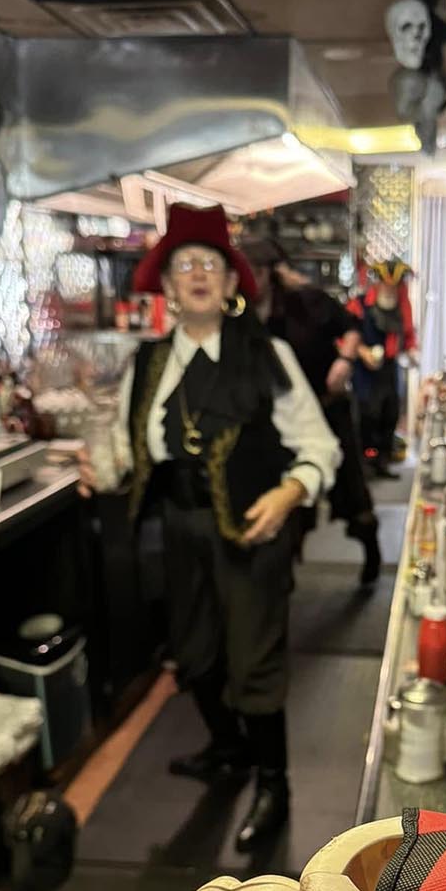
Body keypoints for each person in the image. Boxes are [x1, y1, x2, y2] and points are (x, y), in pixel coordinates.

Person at [82, 205, 341, 855]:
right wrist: (101, 467)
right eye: (184, 265)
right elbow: (127, 451)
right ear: (168, 286)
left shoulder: (268, 355)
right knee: (194, 656)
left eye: (210, 264)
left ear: (230, 284)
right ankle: (229, 749)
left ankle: (274, 785)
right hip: (177, 530)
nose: (197, 274)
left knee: (253, 662)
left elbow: (320, 446)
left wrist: (289, 492)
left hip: (252, 532)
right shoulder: (147, 364)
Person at [246, 238, 384, 586]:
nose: (250, 280)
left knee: (354, 493)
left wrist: (345, 360)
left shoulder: (307, 301)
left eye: (256, 272)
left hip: (328, 406)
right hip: (280, 421)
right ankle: (287, 568)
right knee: (291, 498)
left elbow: (351, 327)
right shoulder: (238, 314)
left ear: (270, 273)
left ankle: (372, 551)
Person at [346, 259, 415, 477]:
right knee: (367, 414)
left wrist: (412, 351)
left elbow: (408, 335)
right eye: (386, 284)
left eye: (394, 286)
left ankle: (382, 461)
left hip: (389, 367)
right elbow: (343, 335)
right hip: (364, 370)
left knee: (390, 411)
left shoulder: (402, 306)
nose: (389, 289)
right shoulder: (359, 304)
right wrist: (362, 351)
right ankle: (365, 462)